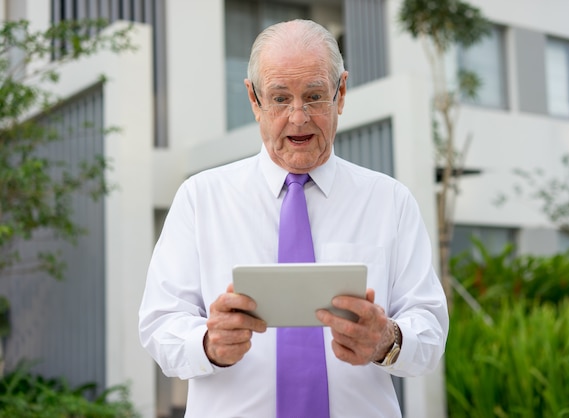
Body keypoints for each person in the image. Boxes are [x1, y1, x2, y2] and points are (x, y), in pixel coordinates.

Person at [138, 19, 448, 417]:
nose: (298, 117)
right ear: (254, 100)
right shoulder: (200, 199)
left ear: (341, 94)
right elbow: (159, 324)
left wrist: (388, 338)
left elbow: (431, 329)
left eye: (315, 96)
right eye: (280, 98)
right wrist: (206, 343)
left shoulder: (391, 201)